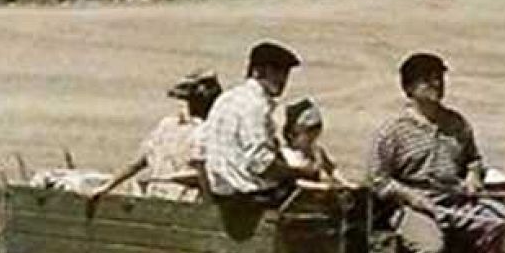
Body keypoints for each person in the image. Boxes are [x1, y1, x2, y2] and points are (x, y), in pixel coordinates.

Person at [366, 52, 505, 253]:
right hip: (410, 205)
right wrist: (412, 198)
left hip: (454, 200)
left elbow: (473, 160)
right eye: (428, 79)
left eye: (439, 77)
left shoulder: (456, 123)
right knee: (430, 246)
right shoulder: (393, 131)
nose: (436, 83)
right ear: (409, 89)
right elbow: (377, 179)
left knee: (502, 222)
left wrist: (473, 178)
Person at [200, 41, 317, 203]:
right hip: (245, 193)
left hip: (220, 188)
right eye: (275, 71)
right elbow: (260, 164)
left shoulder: (226, 98)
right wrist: (300, 172)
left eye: (285, 73)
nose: (282, 79)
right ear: (257, 71)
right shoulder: (256, 105)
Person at [89, 70, 221, 202]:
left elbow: (138, 162)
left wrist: (163, 178)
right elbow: (138, 161)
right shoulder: (176, 127)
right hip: (176, 199)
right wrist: (108, 186)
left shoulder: (171, 126)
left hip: (172, 197)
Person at [281, 98, 348, 188]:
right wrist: (319, 186)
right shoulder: (287, 155)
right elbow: (294, 182)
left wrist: (345, 183)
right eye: (308, 135)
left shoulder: (316, 151)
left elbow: (331, 169)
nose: (312, 139)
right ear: (292, 134)